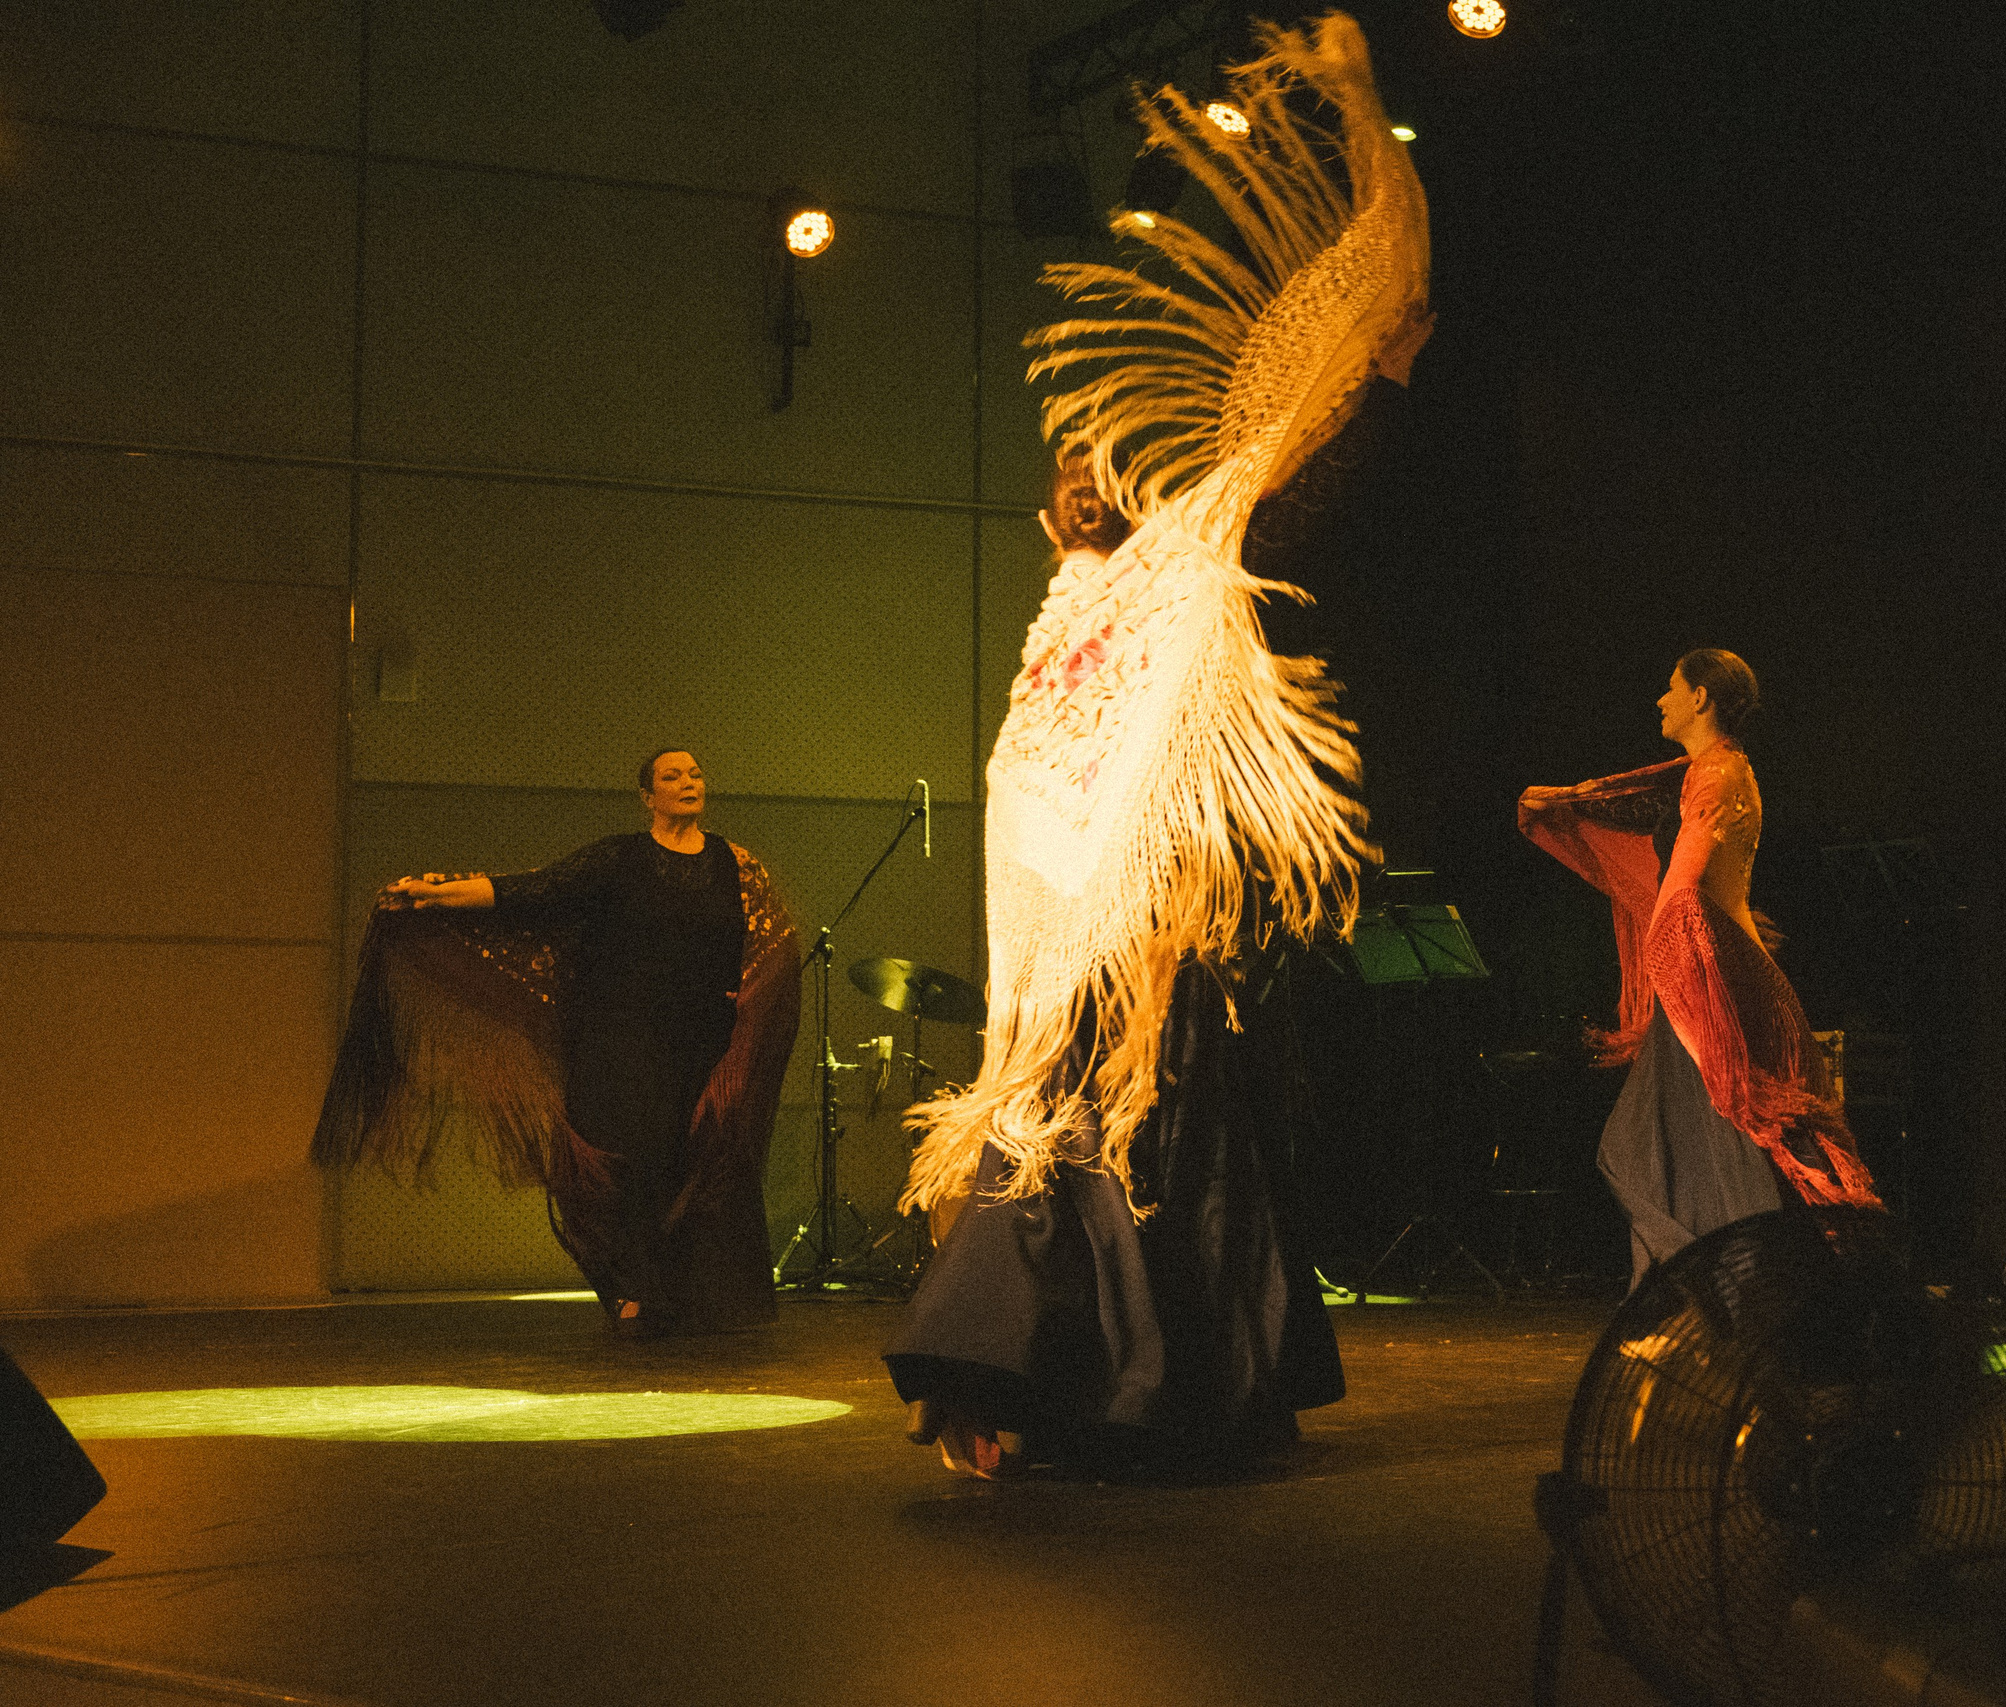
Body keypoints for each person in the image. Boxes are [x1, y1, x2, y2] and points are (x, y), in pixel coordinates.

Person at [885, 15, 1429, 1479]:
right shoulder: (1074, 611)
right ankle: (1024, 1388)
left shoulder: (1198, 571)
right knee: (1055, 1150)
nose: (1067, 489)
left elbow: (1330, 448)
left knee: (1149, 1145)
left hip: (1153, 944)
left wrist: (1367, 121)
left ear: (1131, 486)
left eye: (1087, 472)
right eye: (1056, 478)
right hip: (1065, 958)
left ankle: (1145, 1389)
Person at [312, 749, 799, 1338]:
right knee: (635, 1162)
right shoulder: (619, 859)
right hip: (622, 1037)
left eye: (695, 774)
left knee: (700, 1159)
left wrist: (749, 1014)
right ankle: (634, 1293)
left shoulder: (738, 865)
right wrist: (438, 895)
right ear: (648, 796)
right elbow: (534, 891)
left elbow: (772, 944)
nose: (688, 783)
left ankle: (701, 1298)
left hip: (702, 1039)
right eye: (672, 776)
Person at [1519, 650, 1881, 1289]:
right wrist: (1570, 803)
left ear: (1702, 699)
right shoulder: (1716, 769)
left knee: (1656, 1150)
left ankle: (1729, 1293)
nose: (1661, 699)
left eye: (1671, 687)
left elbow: (1683, 885)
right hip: (1709, 972)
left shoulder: (1713, 775)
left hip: (1706, 985)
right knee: (1689, 1150)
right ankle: (1706, 1298)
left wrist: (1666, 959)